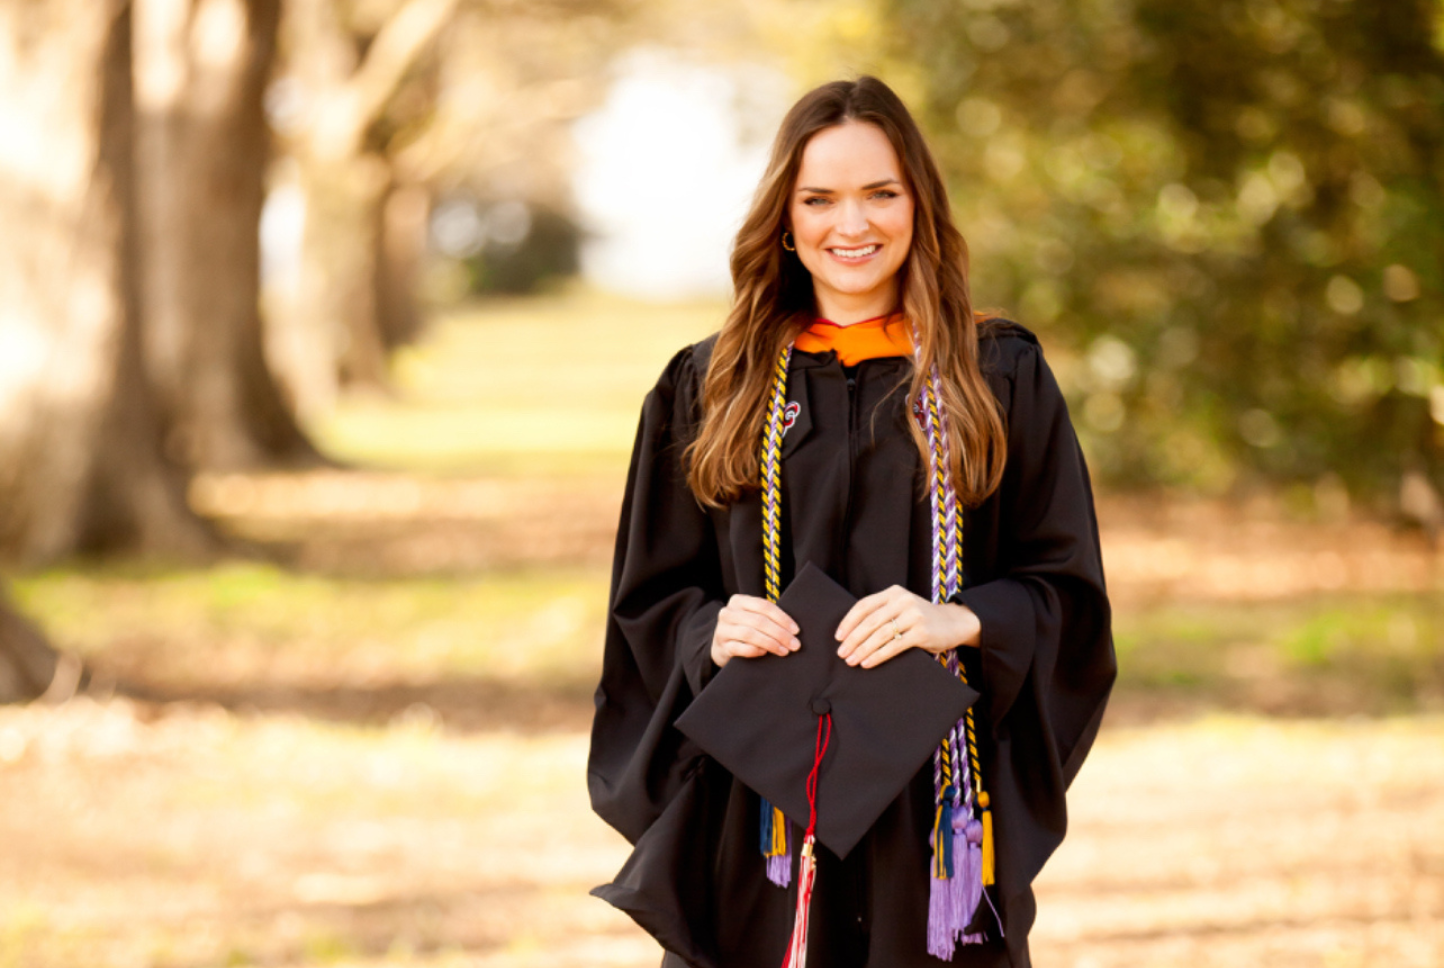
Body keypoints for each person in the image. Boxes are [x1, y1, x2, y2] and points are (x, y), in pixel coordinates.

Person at [587, 76, 1115, 968]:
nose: (852, 225)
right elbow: (648, 599)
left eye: (881, 193)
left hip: (936, 800)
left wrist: (963, 617)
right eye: (819, 198)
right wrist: (712, 628)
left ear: (920, 204)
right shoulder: (711, 384)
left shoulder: (997, 374)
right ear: (784, 218)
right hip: (758, 805)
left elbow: (1066, 587)